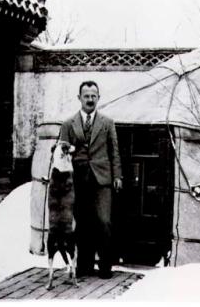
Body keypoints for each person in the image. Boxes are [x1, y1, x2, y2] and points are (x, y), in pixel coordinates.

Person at [59, 80, 122, 279]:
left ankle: (105, 267)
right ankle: (84, 266)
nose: (90, 100)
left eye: (93, 96)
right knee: (83, 223)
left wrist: (117, 175)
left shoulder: (107, 123)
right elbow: (62, 155)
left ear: (98, 98)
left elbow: (115, 152)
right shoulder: (68, 124)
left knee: (104, 222)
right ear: (79, 98)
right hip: (78, 180)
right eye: (86, 96)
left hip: (102, 180)